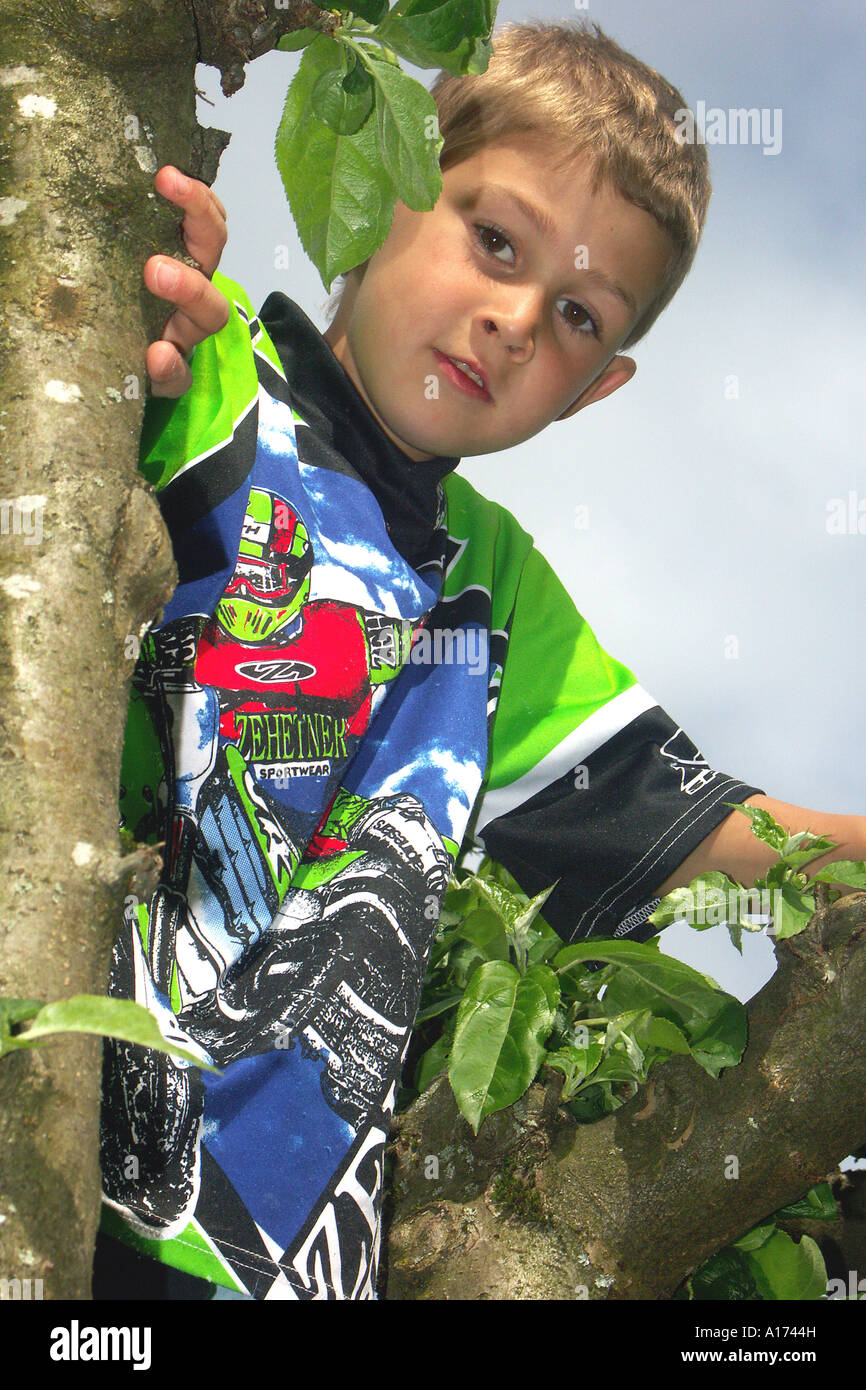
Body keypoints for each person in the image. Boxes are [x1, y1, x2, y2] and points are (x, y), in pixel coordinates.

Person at [95, 21, 864, 1301]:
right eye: (492, 240)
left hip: (273, 1271)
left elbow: (715, 835)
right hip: (57, 1148)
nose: (512, 318)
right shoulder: (205, 373)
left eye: (571, 315)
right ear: (384, 186)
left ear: (593, 389)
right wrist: (120, 328)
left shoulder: (486, 587)